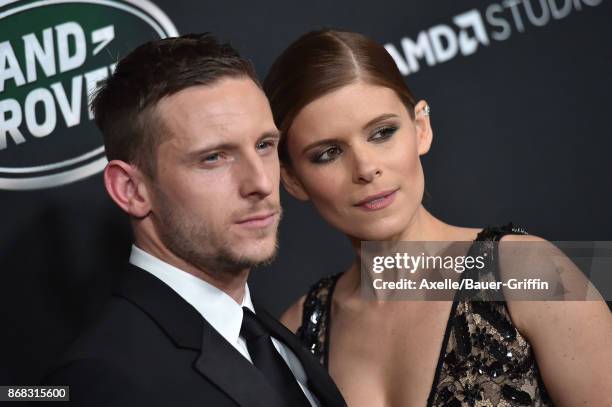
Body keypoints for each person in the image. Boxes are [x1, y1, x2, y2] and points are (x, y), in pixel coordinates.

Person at [263, 29, 612, 406]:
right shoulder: (297, 331)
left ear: (421, 128)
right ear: (293, 179)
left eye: (382, 133)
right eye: (329, 153)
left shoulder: (528, 271)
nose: (366, 168)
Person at [42, 33, 346, 407]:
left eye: (264, 145)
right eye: (214, 157)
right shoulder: (102, 380)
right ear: (132, 190)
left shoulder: (271, 334)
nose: (262, 183)